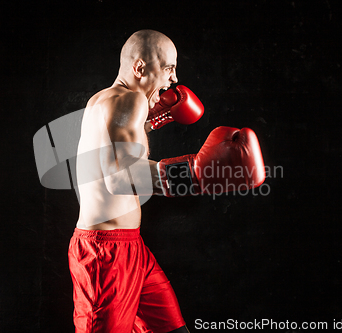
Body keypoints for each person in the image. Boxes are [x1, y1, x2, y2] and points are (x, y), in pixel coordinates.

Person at [69, 29, 265, 332]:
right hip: (105, 255)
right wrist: (196, 174)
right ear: (139, 68)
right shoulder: (130, 101)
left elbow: (113, 150)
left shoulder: (105, 100)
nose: (173, 79)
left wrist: (151, 121)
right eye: (168, 68)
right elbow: (118, 176)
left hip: (132, 248)